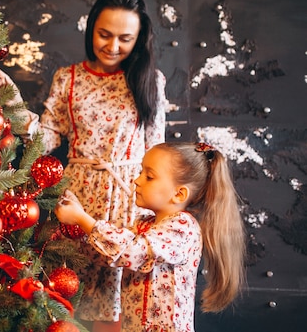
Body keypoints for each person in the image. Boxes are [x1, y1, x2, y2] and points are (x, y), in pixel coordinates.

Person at [0, 0, 166, 332]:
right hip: (77, 199)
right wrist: (14, 106)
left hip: (129, 205)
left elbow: (157, 152)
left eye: (125, 39)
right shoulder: (68, 78)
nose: (113, 46)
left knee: (120, 310)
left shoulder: (150, 80)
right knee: (72, 301)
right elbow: (48, 138)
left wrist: (158, 217)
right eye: (104, 34)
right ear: (91, 29)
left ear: (138, 39)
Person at [54, 142, 246, 332]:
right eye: (141, 173)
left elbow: (131, 252)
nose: (137, 180)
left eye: (149, 177)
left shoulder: (182, 228)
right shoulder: (144, 224)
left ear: (179, 194)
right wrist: (76, 228)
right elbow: (110, 255)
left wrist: (83, 219)